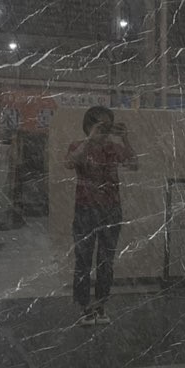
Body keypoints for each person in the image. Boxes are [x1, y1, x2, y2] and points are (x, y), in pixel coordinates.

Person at [65, 106, 137, 325]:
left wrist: (125, 139)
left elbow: (134, 165)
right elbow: (69, 163)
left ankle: (100, 305)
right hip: (85, 209)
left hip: (111, 210)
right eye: (100, 125)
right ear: (89, 125)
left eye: (108, 125)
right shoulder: (79, 145)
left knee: (106, 261)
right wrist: (90, 138)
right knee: (83, 260)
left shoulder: (113, 148)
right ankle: (84, 307)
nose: (104, 130)